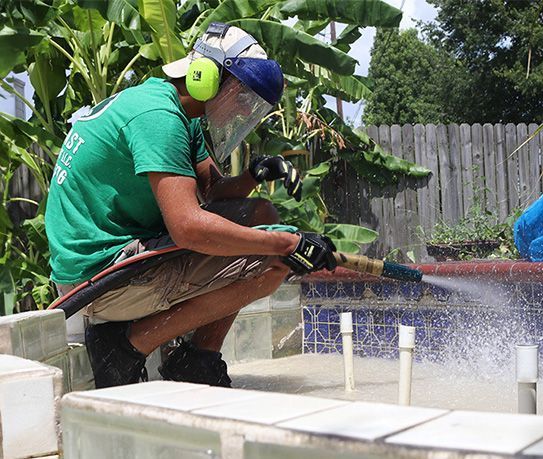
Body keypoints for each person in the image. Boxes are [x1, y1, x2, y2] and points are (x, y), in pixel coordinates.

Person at [44, 22, 337, 389]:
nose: (243, 110)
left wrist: (256, 174)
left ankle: (197, 360)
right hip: (99, 279)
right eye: (242, 96)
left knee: (263, 216)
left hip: (123, 256)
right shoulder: (157, 118)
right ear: (205, 76)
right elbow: (188, 226)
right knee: (272, 259)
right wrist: (287, 244)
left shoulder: (181, 112)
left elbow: (212, 193)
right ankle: (126, 346)